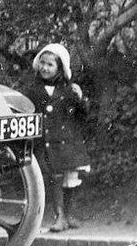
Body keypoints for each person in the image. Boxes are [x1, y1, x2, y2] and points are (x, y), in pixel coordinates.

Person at [22, 42, 91, 232]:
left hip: (68, 142)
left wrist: (81, 98)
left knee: (72, 177)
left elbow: (83, 114)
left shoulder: (69, 90)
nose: (45, 67)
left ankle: (69, 213)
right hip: (47, 144)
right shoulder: (33, 90)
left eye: (50, 65)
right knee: (55, 178)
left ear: (60, 68)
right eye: (42, 63)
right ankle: (59, 215)